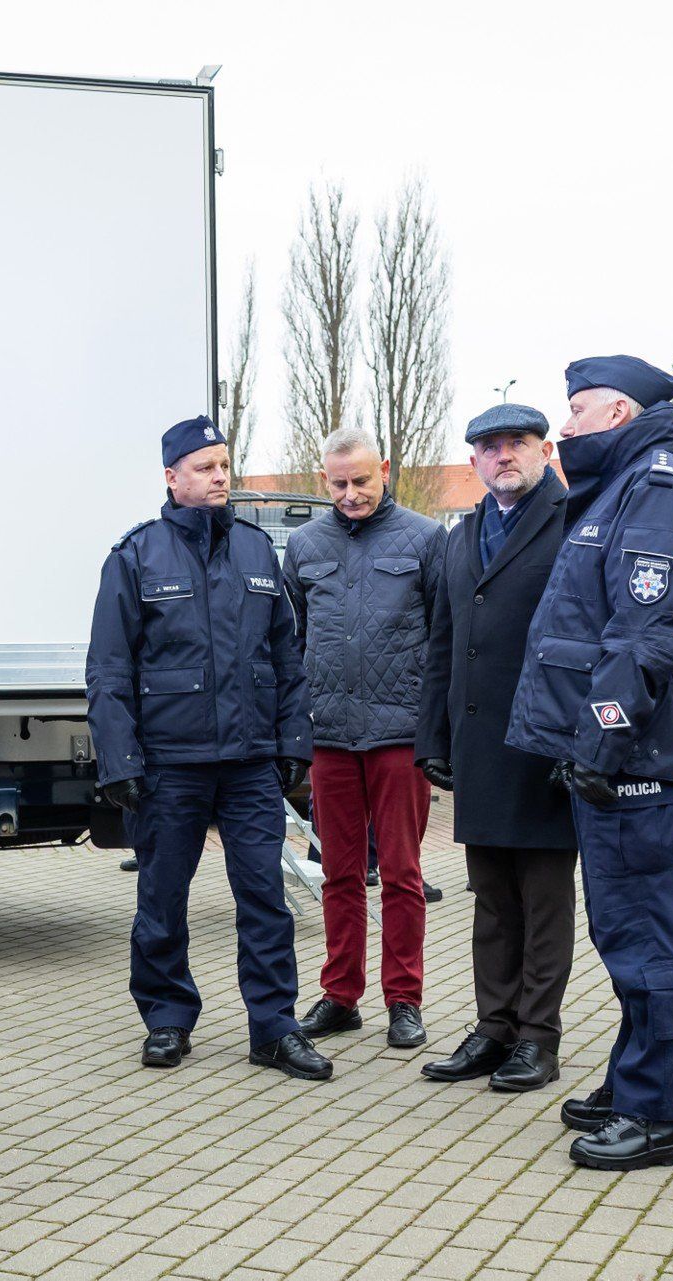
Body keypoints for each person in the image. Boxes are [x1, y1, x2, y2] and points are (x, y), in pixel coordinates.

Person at [505, 355, 673, 1170]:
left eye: (580, 409)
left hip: (630, 754)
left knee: (643, 936)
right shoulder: (624, 487)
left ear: (622, 413)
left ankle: (663, 1115)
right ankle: (634, 1079)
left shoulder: (656, 489)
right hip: (612, 751)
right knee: (621, 928)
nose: (564, 427)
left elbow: (647, 634)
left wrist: (600, 736)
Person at [86, 414, 331, 1080]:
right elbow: (109, 668)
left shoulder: (256, 551)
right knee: (163, 897)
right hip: (171, 764)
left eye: (224, 464)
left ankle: (274, 1028)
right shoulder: (136, 556)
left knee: (265, 898)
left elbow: (286, 654)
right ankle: (166, 1017)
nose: (220, 476)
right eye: (204, 467)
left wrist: (294, 742)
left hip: (249, 763)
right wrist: (120, 762)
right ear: (172, 477)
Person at [417, 404, 577, 1092]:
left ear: (543, 450)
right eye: (488, 446)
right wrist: (434, 734)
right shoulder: (464, 533)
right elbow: (443, 641)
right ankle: (494, 1027)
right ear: (475, 460)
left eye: (516, 443)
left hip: (544, 745)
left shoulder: (574, 522)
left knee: (542, 900)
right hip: (480, 742)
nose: (502, 454)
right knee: (490, 899)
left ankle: (538, 1038)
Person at [281, 427, 446, 1051]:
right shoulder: (303, 545)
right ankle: (340, 995)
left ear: (384, 469)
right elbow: (289, 643)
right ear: (325, 478)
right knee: (338, 874)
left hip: (401, 733)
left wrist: (437, 732)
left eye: (361, 481)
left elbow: (443, 640)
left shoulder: (428, 538)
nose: (350, 494)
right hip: (330, 735)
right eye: (338, 484)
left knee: (401, 872)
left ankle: (404, 999)